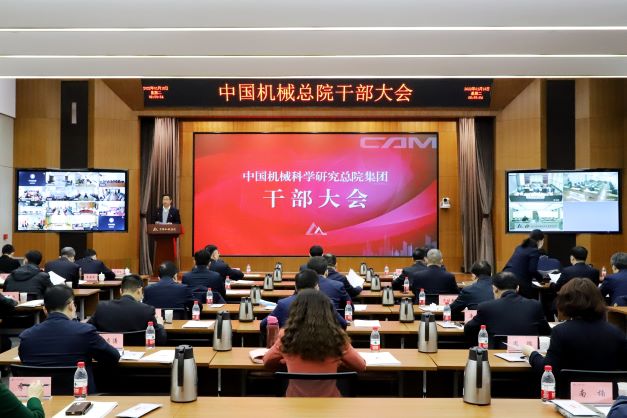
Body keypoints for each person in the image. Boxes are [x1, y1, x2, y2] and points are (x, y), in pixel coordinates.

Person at [263, 289, 366, 397]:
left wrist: (286, 358)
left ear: (296, 311)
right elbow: (361, 366)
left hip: (294, 403)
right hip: (331, 403)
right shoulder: (337, 336)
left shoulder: (287, 335)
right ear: (328, 312)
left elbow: (267, 362)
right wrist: (338, 360)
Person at [522, 278, 627, 381]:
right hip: (607, 392)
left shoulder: (561, 332)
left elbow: (548, 370)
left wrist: (532, 354)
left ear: (566, 303)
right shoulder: (616, 333)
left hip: (568, 391)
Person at [19, 285, 120, 389]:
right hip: (79, 396)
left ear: (45, 310)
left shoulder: (27, 336)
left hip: (41, 396)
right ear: (71, 305)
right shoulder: (84, 331)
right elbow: (113, 356)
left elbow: (24, 361)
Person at [464, 272, 551, 344]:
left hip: (495, 355)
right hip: (528, 355)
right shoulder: (535, 305)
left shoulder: (486, 307)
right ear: (517, 288)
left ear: (494, 289)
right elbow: (546, 331)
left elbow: (469, 330)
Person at [88, 275, 167, 345]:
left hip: (108, 353)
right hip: (139, 353)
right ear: (139, 291)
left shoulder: (102, 307)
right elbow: (160, 339)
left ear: (120, 291)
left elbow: (87, 330)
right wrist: (160, 324)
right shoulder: (147, 310)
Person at [260, 269, 347, 331]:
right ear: (317, 287)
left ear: (296, 287)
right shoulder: (327, 302)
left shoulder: (284, 304)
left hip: (290, 348)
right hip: (321, 348)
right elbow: (343, 325)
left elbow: (263, 325)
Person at [502, 229, 544, 299]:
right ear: (540, 241)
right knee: (533, 298)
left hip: (506, 277)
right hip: (520, 282)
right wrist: (542, 279)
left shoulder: (519, 247)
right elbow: (532, 270)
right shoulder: (534, 251)